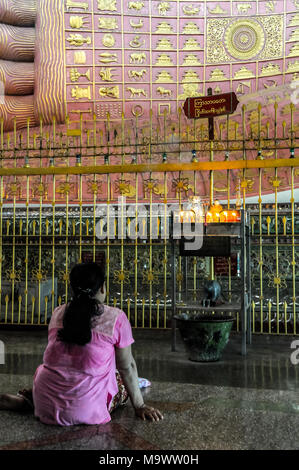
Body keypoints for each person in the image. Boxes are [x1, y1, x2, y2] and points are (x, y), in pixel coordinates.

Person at [0, 262, 163, 425]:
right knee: (120, 381)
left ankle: (30, 399)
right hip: (84, 408)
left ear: (73, 288)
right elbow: (127, 367)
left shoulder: (58, 313)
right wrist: (140, 405)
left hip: (46, 402)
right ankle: (47, 398)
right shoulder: (115, 318)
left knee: (63, 374)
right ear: (103, 288)